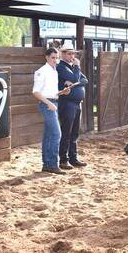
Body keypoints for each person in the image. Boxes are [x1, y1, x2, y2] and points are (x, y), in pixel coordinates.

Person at [32, 47, 71, 175]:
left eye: (57, 58)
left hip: (53, 102)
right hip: (47, 104)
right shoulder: (41, 71)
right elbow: (36, 92)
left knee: (49, 135)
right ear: (47, 57)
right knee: (56, 134)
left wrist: (62, 92)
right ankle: (53, 164)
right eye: (53, 58)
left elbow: (50, 92)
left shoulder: (54, 71)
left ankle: (47, 164)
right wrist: (49, 104)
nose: (55, 60)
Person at [56, 42, 89, 170]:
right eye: (69, 53)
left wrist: (75, 81)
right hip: (67, 103)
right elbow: (76, 79)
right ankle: (64, 160)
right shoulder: (62, 67)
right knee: (66, 131)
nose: (72, 56)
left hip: (76, 103)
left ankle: (73, 158)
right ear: (62, 54)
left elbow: (85, 80)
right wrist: (77, 69)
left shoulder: (71, 68)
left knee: (74, 132)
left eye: (73, 54)